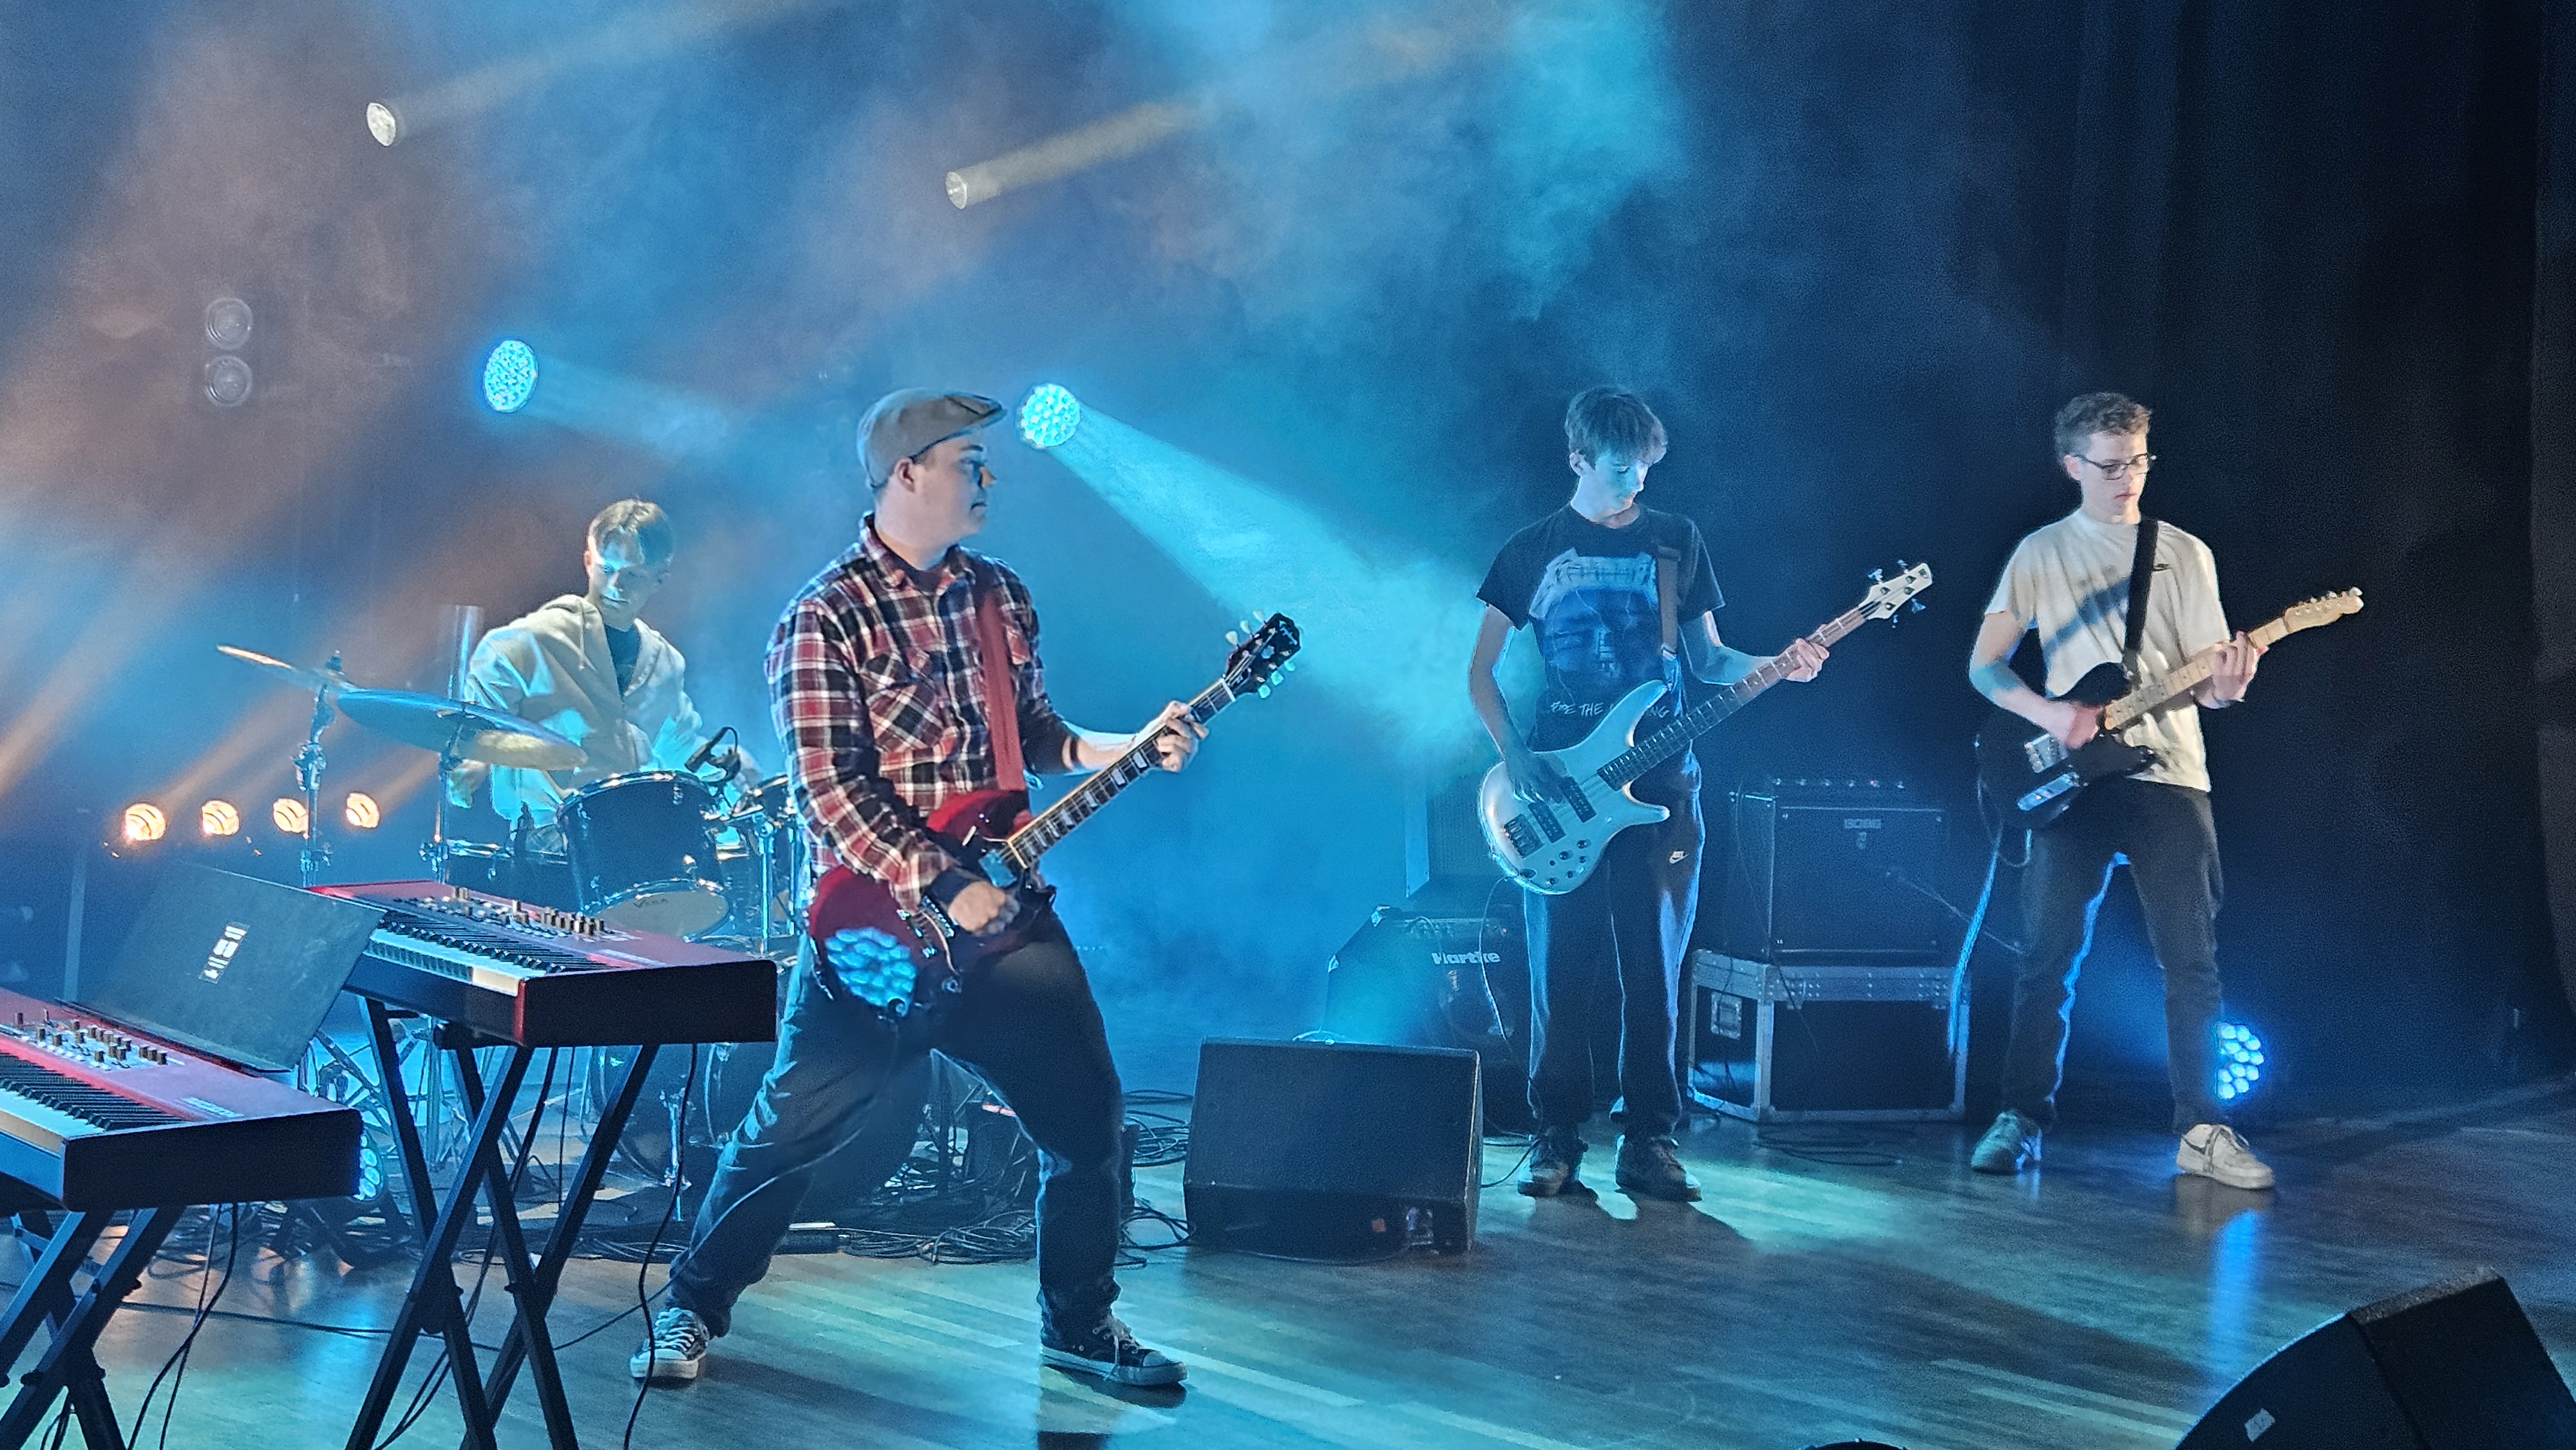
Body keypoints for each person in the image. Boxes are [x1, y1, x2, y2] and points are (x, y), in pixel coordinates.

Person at [634, 389, 1204, 1388]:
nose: (989, 476)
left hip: (1003, 922)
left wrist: (1127, 746)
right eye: (968, 460)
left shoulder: (1001, 596)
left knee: (1090, 1121)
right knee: (786, 1136)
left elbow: (1036, 734)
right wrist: (941, 877)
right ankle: (691, 1305)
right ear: (907, 472)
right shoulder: (825, 616)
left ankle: (1080, 1323)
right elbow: (829, 793)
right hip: (874, 933)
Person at [1468, 386, 1826, 1201]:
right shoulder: (1532, 548)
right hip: (1559, 783)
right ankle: (1557, 1136)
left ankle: (1649, 1139)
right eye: (1620, 467)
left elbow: (1710, 661)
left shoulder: (1675, 541)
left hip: (1663, 785)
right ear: (1578, 459)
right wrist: (1514, 754)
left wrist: (1782, 663)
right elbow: (1480, 672)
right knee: (1561, 973)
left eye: (1645, 467)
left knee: (1655, 971)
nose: (1636, 481)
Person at [1965, 391, 2273, 1190]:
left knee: (2191, 961)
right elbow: (1984, 666)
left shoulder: (2184, 553)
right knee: (2045, 957)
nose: (2126, 478)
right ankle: (2020, 1113)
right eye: (2108, 465)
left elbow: (2206, 679)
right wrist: (2051, 713)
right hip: (2073, 781)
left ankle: (2202, 1128)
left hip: (2170, 774)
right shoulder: (2040, 552)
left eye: (2138, 460)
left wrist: (2227, 688)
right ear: (2072, 465)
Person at [448, 499, 732, 833]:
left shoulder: (665, 662)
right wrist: (475, 761)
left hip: (634, 832)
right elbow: (484, 717)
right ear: (588, 562)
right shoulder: (534, 640)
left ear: (659, 579)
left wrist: (736, 787)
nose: (616, 586)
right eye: (606, 569)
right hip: (549, 836)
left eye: (633, 575)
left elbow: (679, 746)